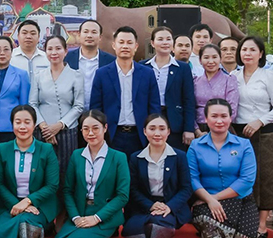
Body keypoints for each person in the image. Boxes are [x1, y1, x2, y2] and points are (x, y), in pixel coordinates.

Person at [46, 110, 130, 238]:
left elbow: (122, 196)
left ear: (105, 128)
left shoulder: (119, 157)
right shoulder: (77, 155)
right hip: (81, 214)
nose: (90, 133)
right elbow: (68, 190)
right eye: (85, 129)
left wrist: (97, 218)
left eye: (95, 128)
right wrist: (75, 216)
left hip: (104, 216)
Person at [188, 98, 258, 238]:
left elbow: (247, 180)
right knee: (212, 230)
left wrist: (214, 199)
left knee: (246, 236)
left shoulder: (244, 145)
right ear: (206, 119)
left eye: (224, 116)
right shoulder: (195, 146)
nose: (219, 121)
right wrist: (208, 199)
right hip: (205, 200)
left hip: (239, 199)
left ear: (230, 118)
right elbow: (192, 178)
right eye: (214, 116)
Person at [0, 106, 59, 238]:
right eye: (18, 122)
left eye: (27, 122)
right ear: (12, 125)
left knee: (25, 221)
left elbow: (52, 185)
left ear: (34, 125)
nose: (22, 127)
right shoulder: (3, 149)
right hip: (10, 205)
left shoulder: (46, 149)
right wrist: (17, 204)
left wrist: (28, 202)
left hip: (38, 207)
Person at [231, 36, 273, 238]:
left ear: (261, 53)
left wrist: (260, 121)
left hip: (264, 131)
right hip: (238, 133)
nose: (248, 53)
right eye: (244, 49)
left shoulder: (269, 76)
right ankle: (241, 221)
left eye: (252, 50)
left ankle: (261, 226)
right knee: (240, 176)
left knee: (266, 177)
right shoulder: (233, 76)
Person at [124, 114, 192, 238]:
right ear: (144, 131)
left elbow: (186, 188)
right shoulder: (136, 157)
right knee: (131, 229)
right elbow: (133, 189)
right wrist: (151, 205)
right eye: (152, 128)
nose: (157, 133)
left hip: (170, 204)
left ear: (168, 132)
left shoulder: (179, 156)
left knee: (160, 222)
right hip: (145, 204)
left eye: (162, 129)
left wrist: (169, 207)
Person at [91, 26, 161, 155]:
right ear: (114, 45)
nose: (125, 46)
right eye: (121, 42)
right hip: (112, 134)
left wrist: (153, 131)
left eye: (129, 43)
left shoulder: (147, 73)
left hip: (140, 135)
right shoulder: (102, 74)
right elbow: (96, 108)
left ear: (136, 46)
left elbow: (154, 106)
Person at [29, 35, 84, 182]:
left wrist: (59, 125)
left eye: (58, 48)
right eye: (50, 49)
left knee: (66, 173)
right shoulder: (38, 76)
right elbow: (32, 104)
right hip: (42, 131)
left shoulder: (76, 75)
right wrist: (44, 127)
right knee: (41, 171)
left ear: (66, 51)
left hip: (67, 131)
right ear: (45, 52)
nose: (54, 52)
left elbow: (79, 106)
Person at [141, 26, 196, 149]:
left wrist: (189, 128)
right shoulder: (143, 66)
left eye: (168, 39)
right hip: (148, 117)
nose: (165, 42)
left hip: (174, 121)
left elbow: (189, 100)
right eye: (160, 39)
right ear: (152, 43)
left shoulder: (182, 68)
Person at [65, 19, 116, 110]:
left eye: (94, 32)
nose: (89, 35)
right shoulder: (67, 59)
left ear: (100, 37)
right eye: (85, 32)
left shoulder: (111, 61)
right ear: (79, 35)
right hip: (71, 112)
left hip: (100, 113)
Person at [194, 44, 239, 136]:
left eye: (214, 57)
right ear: (200, 60)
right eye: (206, 57)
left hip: (222, 126)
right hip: (199, 128)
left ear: (220, 59)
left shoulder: (229, 80)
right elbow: (189, 107)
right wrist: (197, 130)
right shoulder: (195, 81)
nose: (211, 61)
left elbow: (232, 108)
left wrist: (219, 124)